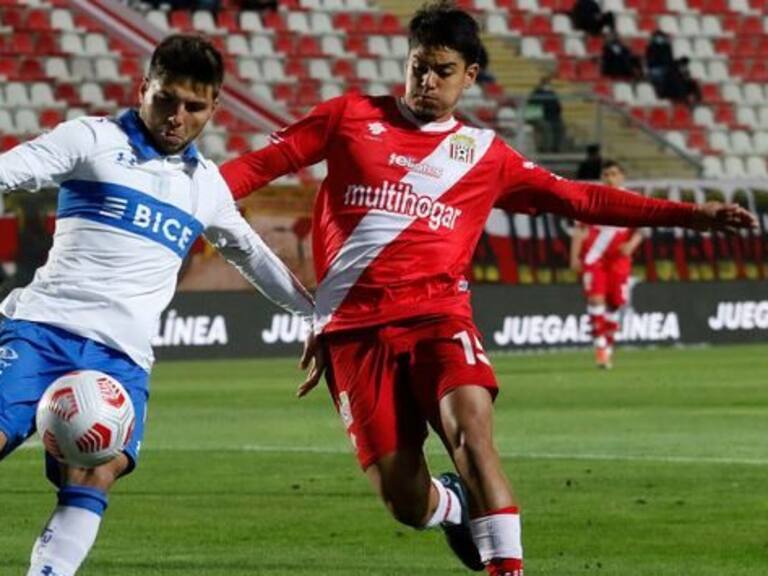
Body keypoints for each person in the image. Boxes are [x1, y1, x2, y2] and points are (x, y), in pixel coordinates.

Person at [220, 3, 756, 575]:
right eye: (418, 67)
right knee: (405, 501)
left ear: (470, 76)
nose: (426, 81)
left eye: (443, 70)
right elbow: (254, 167)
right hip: (355, 333)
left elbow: (581, 199)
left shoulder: (483, 155)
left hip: (439, 318)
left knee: (472, 435)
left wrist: (689, 215)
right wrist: (184, 199)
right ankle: (452, 507)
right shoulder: (348, 117)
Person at [0, 34, 314, 576]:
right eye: (166, 99)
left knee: (95, 472)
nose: (176, 116)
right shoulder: (91, 139)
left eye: (194, 106)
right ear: (144, 89)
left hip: (121, 360)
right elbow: (13, 169)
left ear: (213, 108)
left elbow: (252, 255)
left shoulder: (206, 187)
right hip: (42, 328)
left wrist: (313, 315)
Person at [570, 160, 644, 369]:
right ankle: (600, 347)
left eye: (614, 174)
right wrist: (574, 257)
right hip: (594, 257)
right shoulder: (593, 199)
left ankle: (607, 347)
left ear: (622, 177)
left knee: (614, 304)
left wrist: (631, 244)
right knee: (595, 300)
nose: (610, 178)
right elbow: (580, 230)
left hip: (619, 260)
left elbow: (642, 229)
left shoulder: (633, 200)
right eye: (606, 175)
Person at [527, 75, 565, 153]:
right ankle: (545, 149)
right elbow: (532, 109)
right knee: (547, 127)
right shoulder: (536, 93)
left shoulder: (552, 93)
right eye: (546, 83)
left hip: (552, 117)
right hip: (540, 118)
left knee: (561, 126)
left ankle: (556, 148)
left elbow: (558, 107)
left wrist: (557, 115)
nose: (547, 85)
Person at [645, 29, 674, 98]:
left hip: (665, 68)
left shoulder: (667, 47)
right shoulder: (651, 47)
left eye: (661, 37)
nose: (659, 39)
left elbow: (669, 58)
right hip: (655, 68)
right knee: (658, 80)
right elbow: (650, 60)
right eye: (658, 37)